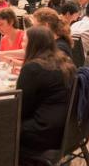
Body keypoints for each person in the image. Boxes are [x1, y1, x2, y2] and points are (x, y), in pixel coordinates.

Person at [17, 26, 77, 157]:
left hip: (44, 131)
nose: (22, 44)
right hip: (69, 129)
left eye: (24, 41)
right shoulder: (65, 62)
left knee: (0, 127)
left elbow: (21, 108)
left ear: (33, 44)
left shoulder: (32, 68)